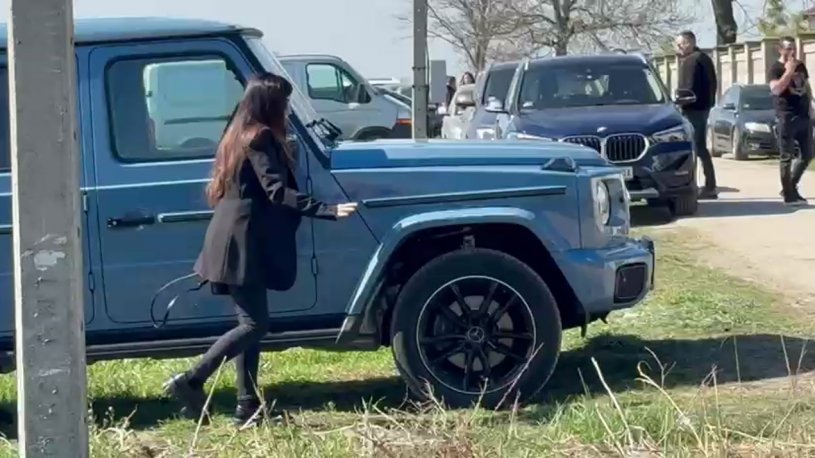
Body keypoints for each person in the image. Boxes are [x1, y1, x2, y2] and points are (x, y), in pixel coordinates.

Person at [163, 73, 358, 426]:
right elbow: (276, 191)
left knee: (249, 326)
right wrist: (326, 210)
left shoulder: (237, 133)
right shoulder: (261, 136)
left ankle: (247, 406)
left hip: (236, 238)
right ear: (270, 104)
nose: (288, 109)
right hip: (242, 242)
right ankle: (191, 380)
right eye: (284, 102)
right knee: (255, 325)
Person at [769, 36, 814, 206]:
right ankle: (789, 195)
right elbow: (776, 90)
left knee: (808, 154)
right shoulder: (775, 68)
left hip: (803, 115)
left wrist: (811, 104)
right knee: (786, 156)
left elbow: (806, 86)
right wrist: (788, 72)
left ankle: (790, 185)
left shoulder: (800, 65)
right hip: (786, 116)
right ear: (780, 50)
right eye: (788, 48)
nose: (792, 52)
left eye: (793, 48)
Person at [675, 30, 719, 200]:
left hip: (693, 109)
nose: (678, 48)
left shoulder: (692, 61)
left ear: (688, 43)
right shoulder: (704, 58)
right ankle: (709, 184)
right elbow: (713, 84)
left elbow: (688, 89)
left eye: (679, 44)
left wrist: (679, 103)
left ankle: (702, 186)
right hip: (703, 108)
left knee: (695, 147)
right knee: (700, 147)